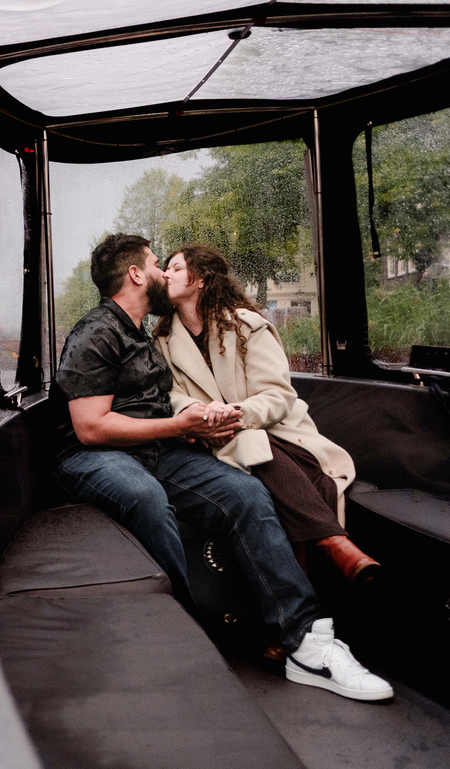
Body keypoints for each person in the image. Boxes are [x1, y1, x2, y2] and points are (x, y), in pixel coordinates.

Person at [54, 233, 391, 702]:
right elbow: (90, 428)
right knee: (146, 497)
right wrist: (178, 425)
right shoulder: (97, 332)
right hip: (96, 455)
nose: (161, 272)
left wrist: (191, 427)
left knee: (246, 493)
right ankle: (185, 632)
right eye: (156, 263)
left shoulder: (145, 334)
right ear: (136, 274)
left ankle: (305, 640)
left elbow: (171, 403)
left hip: (161, 447)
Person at [153, 244, 379, 585]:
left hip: (276, 430)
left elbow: (278, 394)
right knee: (256, 449)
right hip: (215, 436)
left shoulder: (247, 326)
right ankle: (333, 542)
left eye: (175, 267)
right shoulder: (162, 341)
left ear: (199, 279)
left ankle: (313, 566)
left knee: (255, 442)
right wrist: (197, 412)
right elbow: (169, 394)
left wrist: (235, 413)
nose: (165, 274)